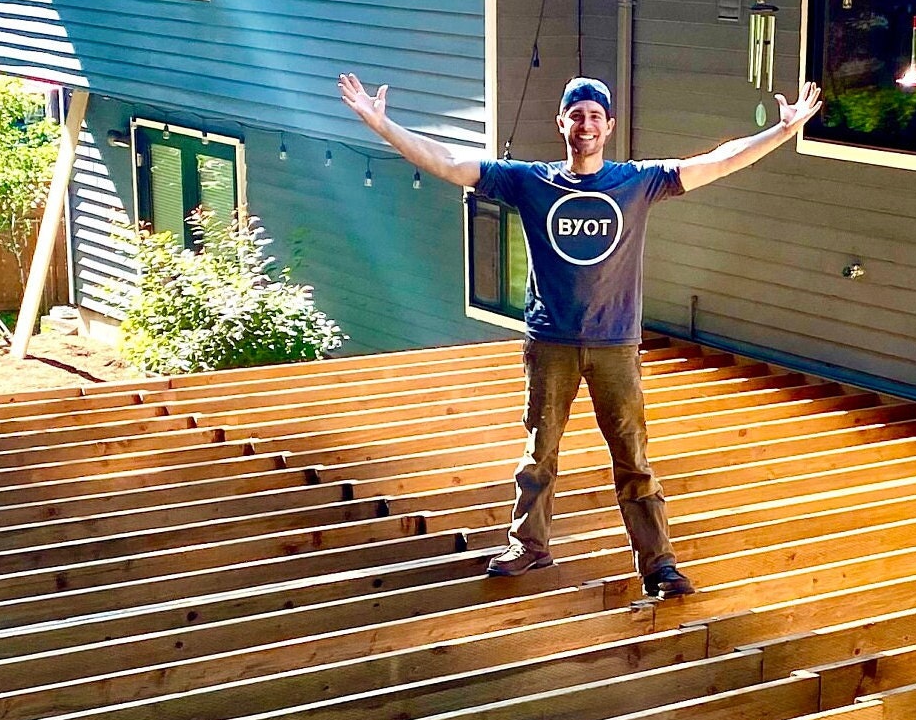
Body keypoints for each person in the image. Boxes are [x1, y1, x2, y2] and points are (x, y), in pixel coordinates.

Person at [338, 70, 823, 598]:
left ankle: (659, 566)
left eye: (595, 116)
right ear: (561, 123)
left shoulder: (637, 181)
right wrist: (383, 126)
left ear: (609, 126)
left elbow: (717, 161)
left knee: (633, 457)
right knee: (539, 452)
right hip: (551, 342)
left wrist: (781, 131)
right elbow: (452, 163)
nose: (586, 124)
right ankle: (530, 545)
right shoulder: (531, 181)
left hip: (616, 344)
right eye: (577, 115)